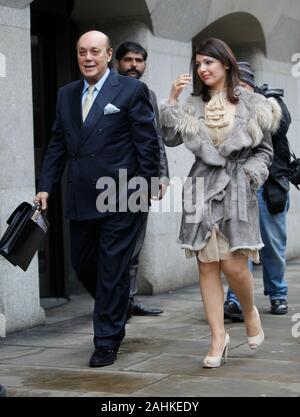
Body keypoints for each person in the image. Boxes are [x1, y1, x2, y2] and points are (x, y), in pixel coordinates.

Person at [34, 31, 159, 367]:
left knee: (113, 269)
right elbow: (58, 143)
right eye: (81, 52)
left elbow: (147, 143)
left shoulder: (132, 90)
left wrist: (147, 186)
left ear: (108, 55)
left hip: (121, 196)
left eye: (94, 52)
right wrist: (46, 185)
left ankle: (106, 341)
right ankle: (119, 304)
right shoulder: (66, 95)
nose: (87, 58)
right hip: (80, 196)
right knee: (83, 263)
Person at [160, 38, 281, 368]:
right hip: (201, 189)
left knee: (233, 265)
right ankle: (218, 337)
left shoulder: (253, 104)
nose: (202, 69)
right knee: (207, 265)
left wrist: (249, 175)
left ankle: (249, 311)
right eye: (198, 64)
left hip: (237, 189)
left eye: (208, 63)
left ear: (225, 63)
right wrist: (171, 99)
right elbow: (170, 138)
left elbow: (264, 152)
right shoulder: (194, 104)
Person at [224, 62, 291, 321]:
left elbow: (280, 125)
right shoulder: (225, 108)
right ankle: (235, 299)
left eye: (243, 83)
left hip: (269, 187)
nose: (238, 88)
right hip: (238, 189)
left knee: (273, 244)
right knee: (241, 245)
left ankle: (278, 295)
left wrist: (260, 101)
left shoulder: (269, 104)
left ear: (251, 84)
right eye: (234, 83)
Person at [115, 41, 169, 317]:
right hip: (108, 183)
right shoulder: (105, 91)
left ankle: (129, 300)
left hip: (139, 182)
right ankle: (113, 302)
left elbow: (156, 138)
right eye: (128, 60)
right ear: (117, 62)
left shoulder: (147, 93)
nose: (134, 65)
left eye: (139, 60)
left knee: (135, 245)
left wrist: (162, 176)